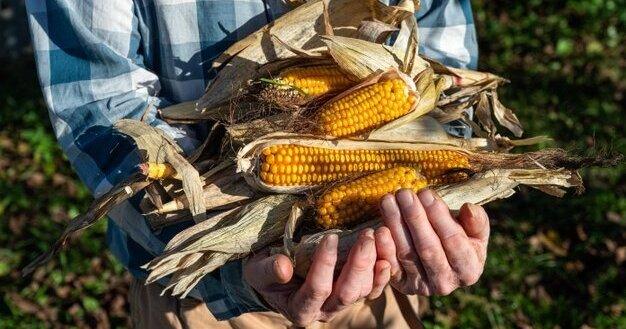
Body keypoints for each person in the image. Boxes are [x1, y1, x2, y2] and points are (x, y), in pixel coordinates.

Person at [26, 0, 488, 327]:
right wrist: (228, 265)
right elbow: (101, 109)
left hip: (382, 278)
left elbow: (446, 73)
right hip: (204, 293)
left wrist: (435, 217)